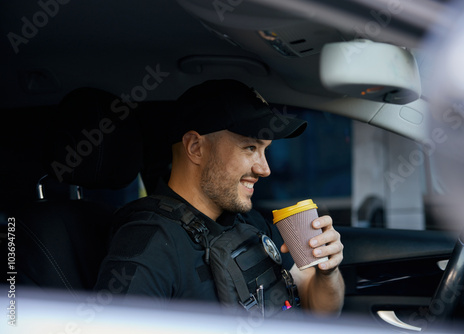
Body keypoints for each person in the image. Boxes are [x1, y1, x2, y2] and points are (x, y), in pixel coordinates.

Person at [94, 79, 345, 315]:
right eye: (250, 148)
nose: (265, 169)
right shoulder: (148, 243)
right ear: (195, 147)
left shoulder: (248, 222)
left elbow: (317, 309)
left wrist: (327, 271)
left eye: (265, 151)